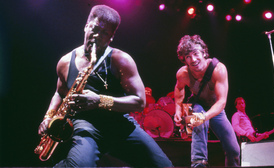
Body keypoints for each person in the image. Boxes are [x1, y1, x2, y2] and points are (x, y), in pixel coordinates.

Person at [37, 5, 173, 167]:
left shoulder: (121, 60)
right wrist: (49, 116)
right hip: (85, 125)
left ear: (111, 38)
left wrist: (100, 100)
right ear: (86, 26)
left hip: (120, 124)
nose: (97, 36)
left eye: (104, 33)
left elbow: (140, 102)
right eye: (94, 29)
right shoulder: (66, 62)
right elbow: (60, 93)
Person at [173, 35, 240, 167]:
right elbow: (179, 89)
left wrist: (205, 117)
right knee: (197, 116)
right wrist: (178, 109)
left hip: (215, 109)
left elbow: (221, 102)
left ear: (203, 52)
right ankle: (199, 164)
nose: (193, 59)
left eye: (195, 54)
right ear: (184, 59)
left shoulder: (218, 69)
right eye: (188, 56)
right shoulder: (183, 74)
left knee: (234, 150)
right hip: (197, 105)